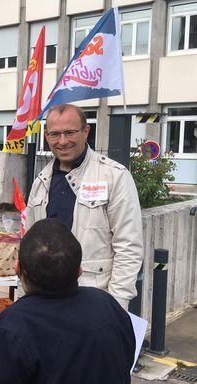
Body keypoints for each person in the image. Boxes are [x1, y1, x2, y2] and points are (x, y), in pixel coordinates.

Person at [0, 218, 135, 384]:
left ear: (17, 269)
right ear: (79, 270)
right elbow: (124, 366)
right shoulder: (107, 305)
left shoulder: (13, 326)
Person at [26, 104, 143, 310]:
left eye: (70, 132)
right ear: (46, 136)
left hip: (95, 299)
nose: (62, 141)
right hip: (45, 300)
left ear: (86, 131)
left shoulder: (114, 176)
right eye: (55, 134)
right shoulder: (41, 181)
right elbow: (29, 244)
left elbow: (129, 248)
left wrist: (116, 305)